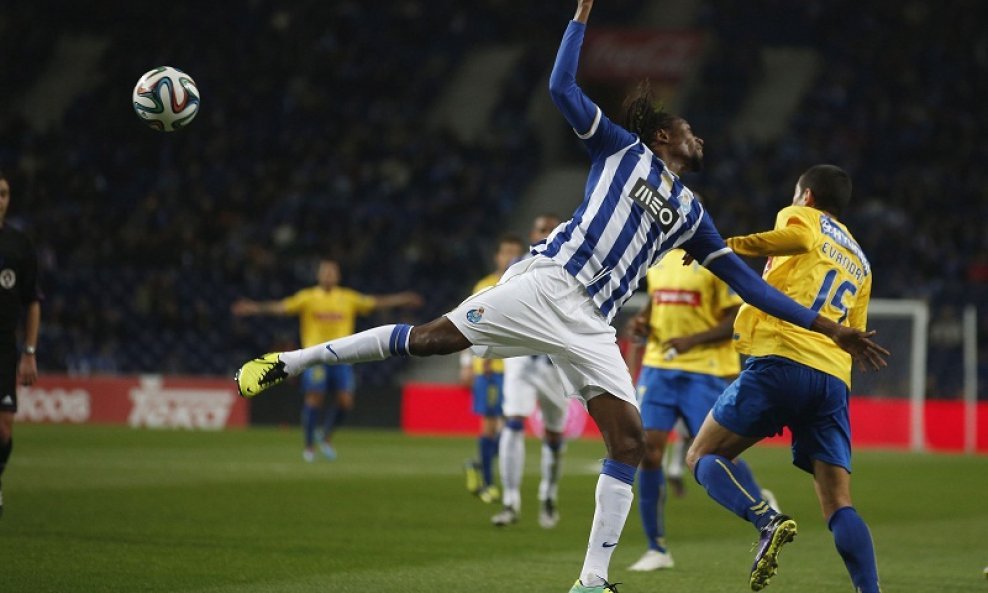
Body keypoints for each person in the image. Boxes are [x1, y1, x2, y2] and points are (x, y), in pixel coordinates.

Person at [235, 3, 887, 591]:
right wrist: (581, 14)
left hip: (591, 324)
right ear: (664, 136)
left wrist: (830, 328)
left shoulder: (693, 213)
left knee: (629, 441)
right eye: (688, 128)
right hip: (547, 284)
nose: (700, 136)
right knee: (432, 337)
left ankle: (591, 580)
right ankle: (290, 362)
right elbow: (559, 87)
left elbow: (748, 284)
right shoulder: (621, 148)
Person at [685, 164, 881, 592]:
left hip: (781, 360)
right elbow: (853, 333)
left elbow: (796, 239)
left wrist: (726, 245)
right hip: (831, 378)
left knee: (701, 457)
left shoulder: (803, 218)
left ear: (807, 196)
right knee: (838, 503)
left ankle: (766, 520)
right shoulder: (862, 263)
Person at [621, 247, 748, 570]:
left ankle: (759, 505)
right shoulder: (658, 259)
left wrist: (692, 340)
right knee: (647, 450)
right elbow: (658, 301)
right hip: (659, 366)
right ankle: (656, 548)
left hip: (703, 369)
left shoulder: (716, 261)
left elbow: (735, 317)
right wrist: (643, 322)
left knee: (715, 451)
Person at [232, 258, 422, 461]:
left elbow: (375, 302)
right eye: (325, 272)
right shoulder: (308, 297)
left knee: (346, 402)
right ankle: (309, 446)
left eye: (332, 272)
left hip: (343, 358)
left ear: (338, 276)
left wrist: (402, 299)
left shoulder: (347, 297)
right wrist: (254, 308)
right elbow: (281, 307)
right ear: (319, 275)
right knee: (315, 398)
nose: (329, 275)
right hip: (316, 357)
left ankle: (326, 436)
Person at [490, 213, 571, 529]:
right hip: (521, 358)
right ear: (531, 233)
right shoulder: (517, 268)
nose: (546, 233)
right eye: (541, 229)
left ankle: (548, 496)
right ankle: (510, 501)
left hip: (554, 362)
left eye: (552, 229)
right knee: (513, 421)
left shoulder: (572, 268)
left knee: (553, 433)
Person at [461, 234, 526, 502]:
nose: (510, 258)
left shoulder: (523, 284)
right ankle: (487, 482)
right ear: (497, 257)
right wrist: (468, 362)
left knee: (508, 425)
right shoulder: (484, 286)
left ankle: (477, 466)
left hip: (515, 367)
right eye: (505, 252)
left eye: (515, 253)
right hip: (489, 367)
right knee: (491, 426)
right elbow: (466, 324)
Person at [0, 171, 42, 518]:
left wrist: (29, 352)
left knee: (2, 429)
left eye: (3, 194)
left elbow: (32, 301)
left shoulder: (18, 245)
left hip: (4, 350)